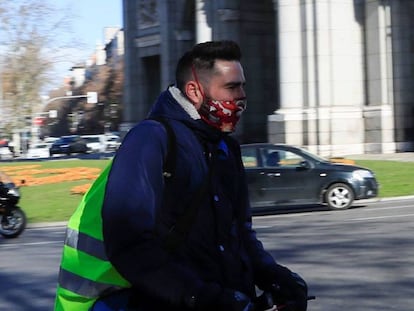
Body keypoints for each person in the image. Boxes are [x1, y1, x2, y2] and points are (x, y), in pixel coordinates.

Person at [55, 40, 308, 311]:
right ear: (194, 91)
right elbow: (129, 242)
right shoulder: (151, 139)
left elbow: (240, 234)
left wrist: (273, 276)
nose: (242, 96)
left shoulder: (226, 148)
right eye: (232, 87)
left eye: (243, 86)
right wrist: (200, 296)